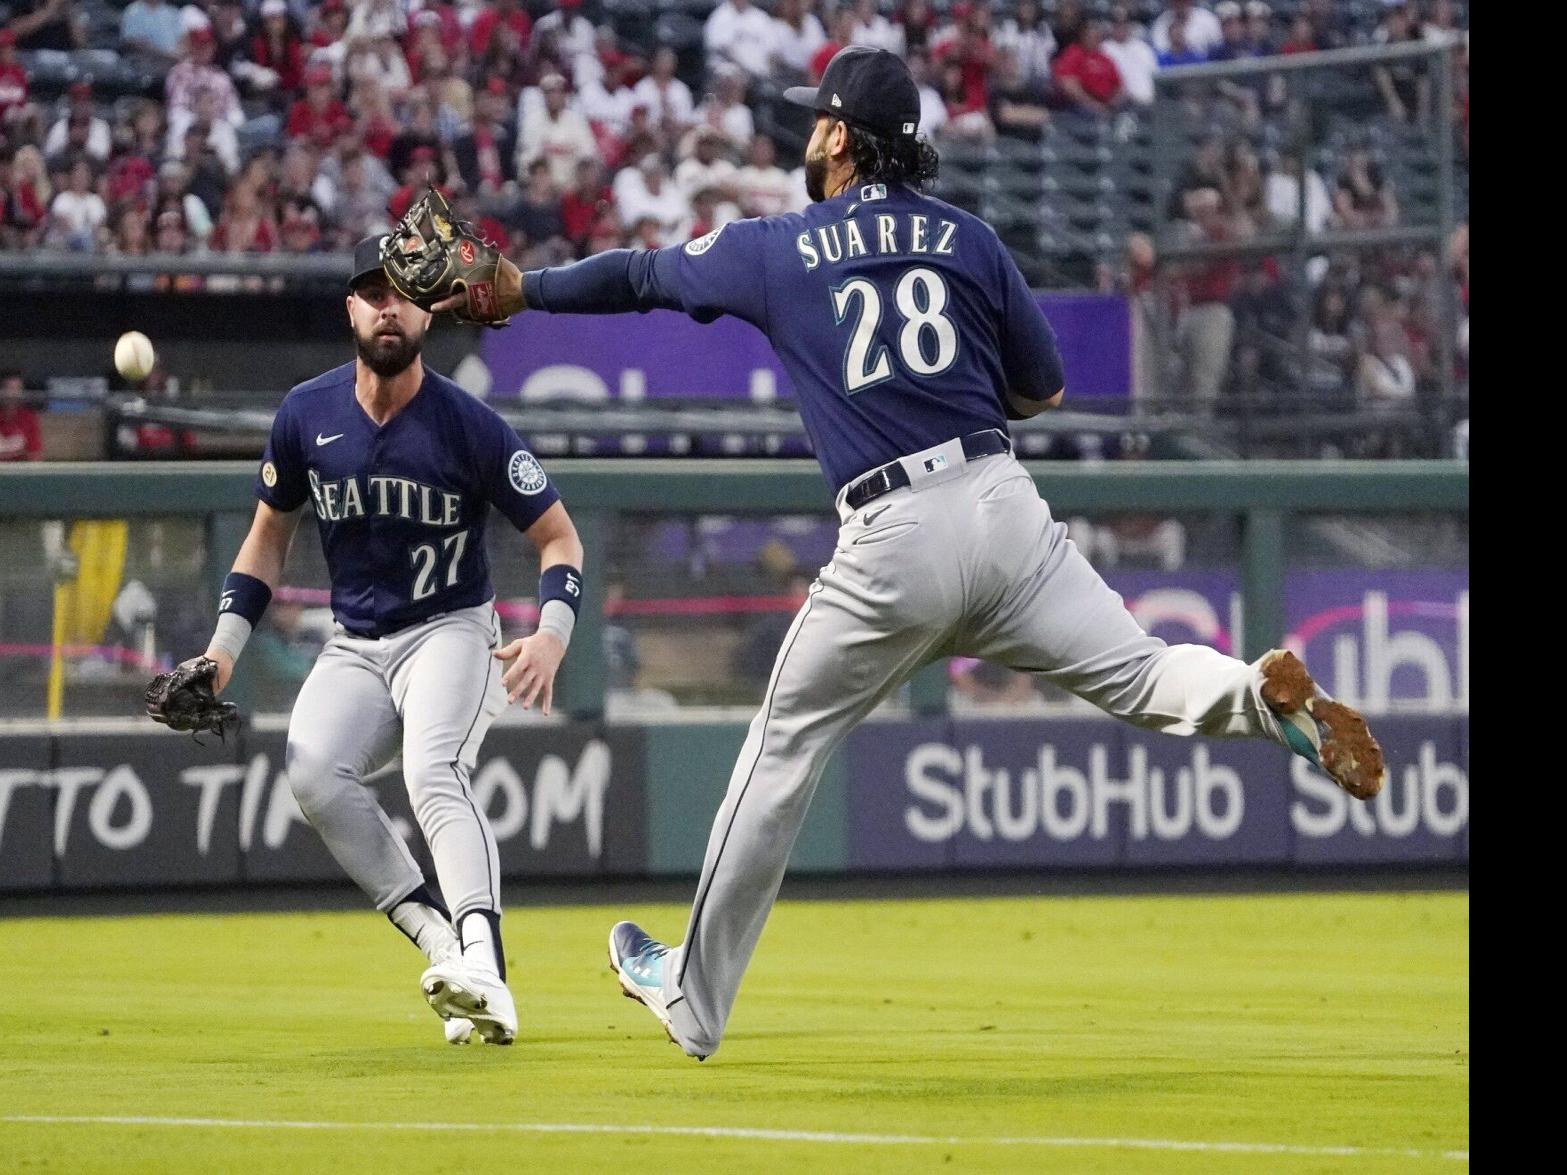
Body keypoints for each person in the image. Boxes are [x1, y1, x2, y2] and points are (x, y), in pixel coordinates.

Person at [428, 46, 1388, 1061]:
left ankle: (692, 996)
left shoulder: (781, 244)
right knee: (1147, 672)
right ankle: (1257, 694)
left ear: (840, 137)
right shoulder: (970, 240)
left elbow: (639, 276)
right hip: (1001, 506)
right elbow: (1043, 390)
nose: (807, 136)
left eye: (816, 122)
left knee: (779, 752)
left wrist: (518, 287)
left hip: (893, 531)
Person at [168, 238, 583, 1047]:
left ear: (428, 308)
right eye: (371, 291)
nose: (387, 305)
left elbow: (561, 538)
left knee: (435, 770)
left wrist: (553, 636)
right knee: (315, 773)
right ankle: (443, 947)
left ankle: (488, 971)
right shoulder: (306, 413)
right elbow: (264, 540)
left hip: (451, 629)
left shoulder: (470, 424)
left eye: (402, 291)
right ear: (349, 309)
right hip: (356, 639)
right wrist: (220, 652)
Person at [0, 369, 42, 461]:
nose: (13, 394)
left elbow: (35, 455)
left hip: (19, 472)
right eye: (8, 389)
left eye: (18, 389)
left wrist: (14, 451)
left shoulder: (29, 417)